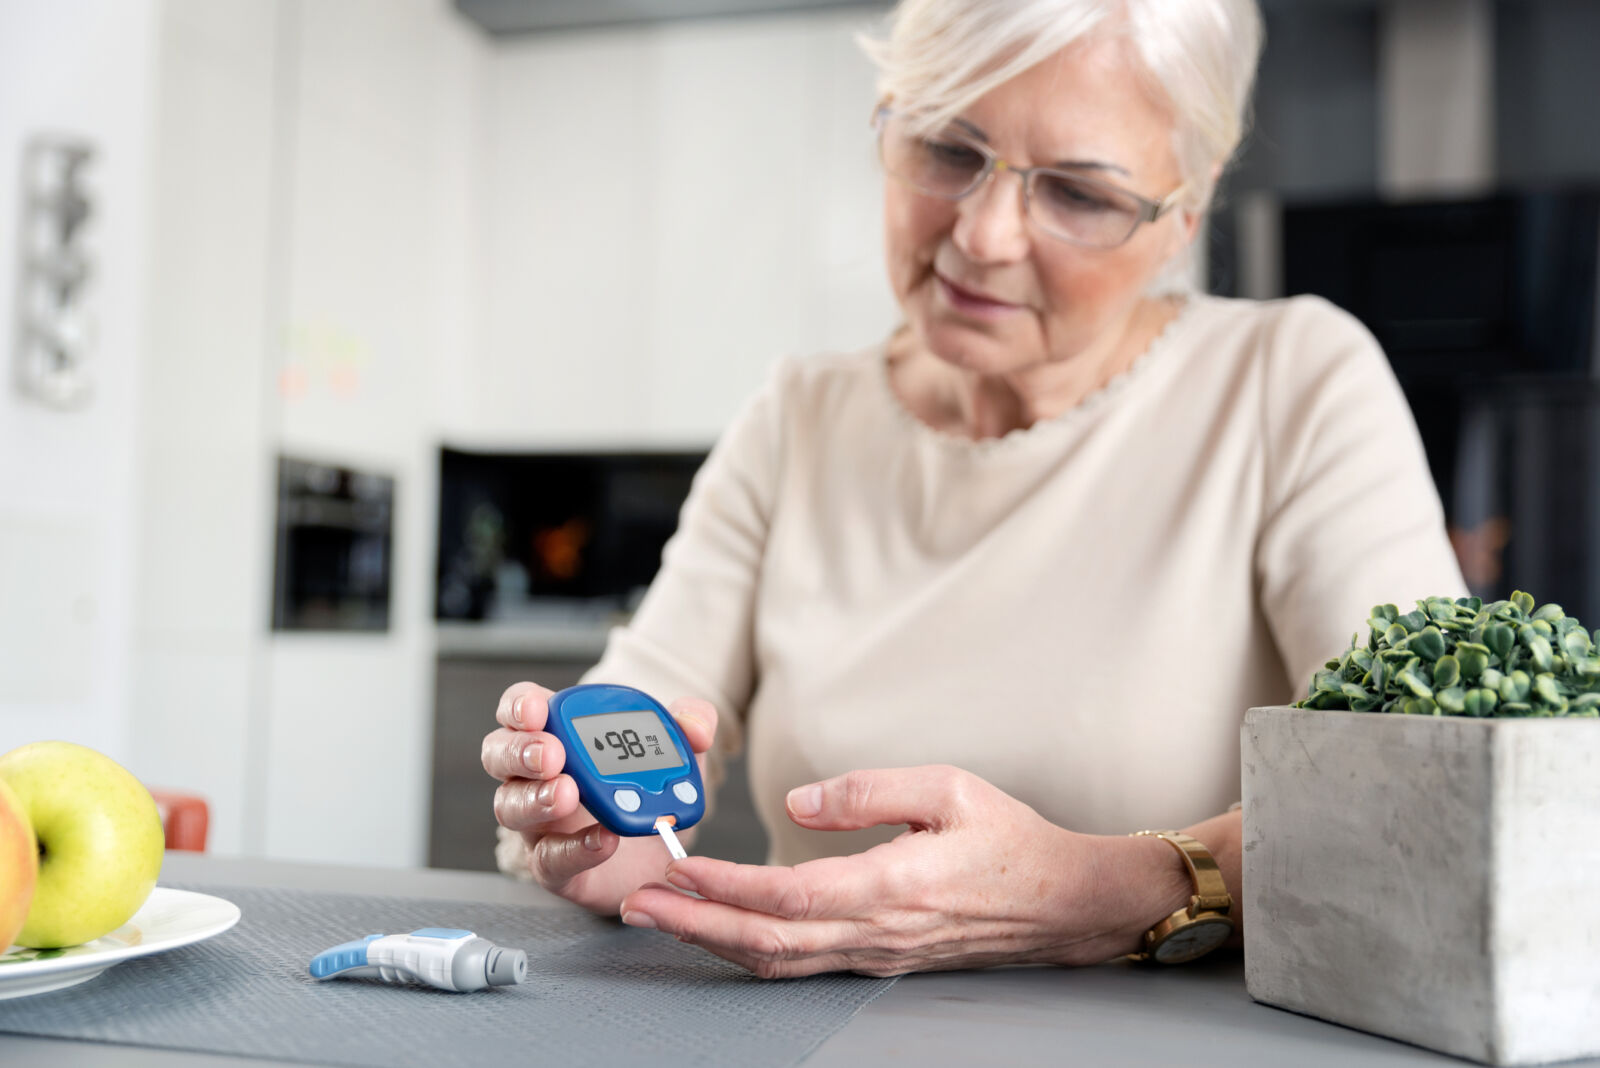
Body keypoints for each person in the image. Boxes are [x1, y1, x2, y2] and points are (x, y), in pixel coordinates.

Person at [480, 0, 1466, 978]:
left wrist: (1095, 893)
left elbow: (1428, 798)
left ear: (1186, 212)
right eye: (948, 149)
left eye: (1078, 192)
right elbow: (644, 710)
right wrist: (582, 829)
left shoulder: (1292, 382)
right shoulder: (798, 417)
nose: (985, 235)